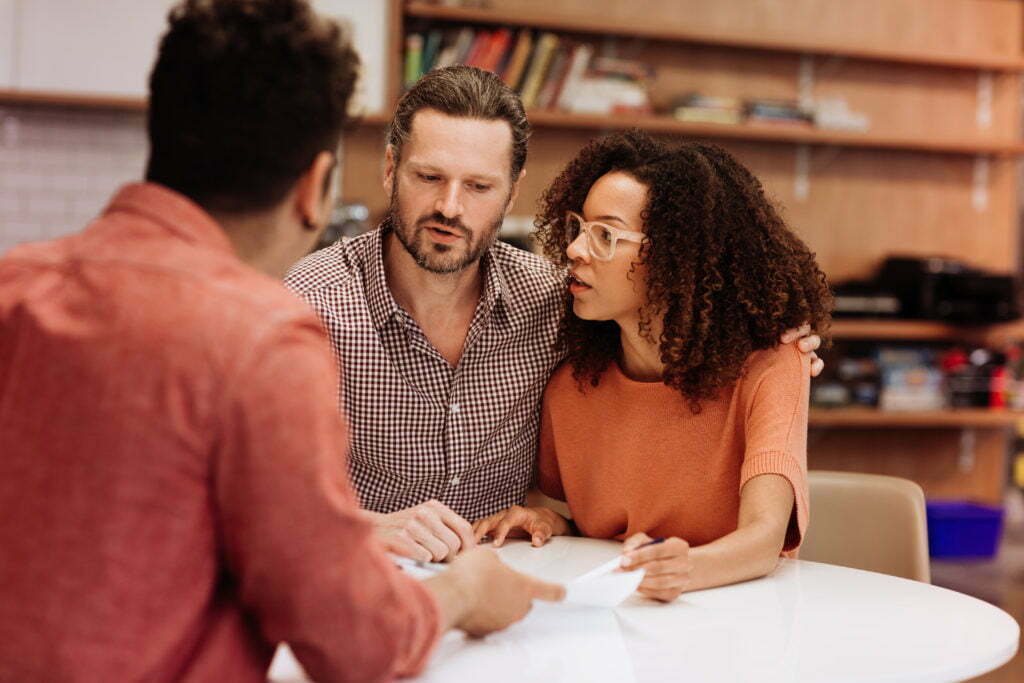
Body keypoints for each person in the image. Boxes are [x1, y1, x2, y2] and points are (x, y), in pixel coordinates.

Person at [0, 3, 562, 681]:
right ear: (317, 184)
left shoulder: (14, 285)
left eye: (477, 186)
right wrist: (468, 591)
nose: (450, 205)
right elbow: (353, 637)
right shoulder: (264, 335)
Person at [285, 65, 825, 564]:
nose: (450, 207)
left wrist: (784, 342)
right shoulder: (309, 304)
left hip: (509, 585)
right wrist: (365, 529)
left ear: (511, 193)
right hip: (353, 575)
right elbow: (247, 493)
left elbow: (675, 316)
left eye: (478, 186)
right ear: (389, 169)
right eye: (429, 178)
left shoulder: (555, 302)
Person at [473, 131, 833, 602]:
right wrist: (551, 521)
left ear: (675, 257)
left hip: (740, 621)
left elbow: (763, 540)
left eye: (605, 235)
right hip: (618, 618)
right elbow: (601, 527)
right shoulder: (571, 388)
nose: (576, 250)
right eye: (578, 227)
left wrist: (681, 568)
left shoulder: (772, 368)